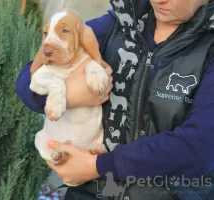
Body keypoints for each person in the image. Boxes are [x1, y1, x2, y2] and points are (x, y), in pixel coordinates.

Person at [15, 0, 214, 199]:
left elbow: (200, 145)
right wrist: (69, 95)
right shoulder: (120, 22)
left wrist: (98, 166)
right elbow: (27, 80)